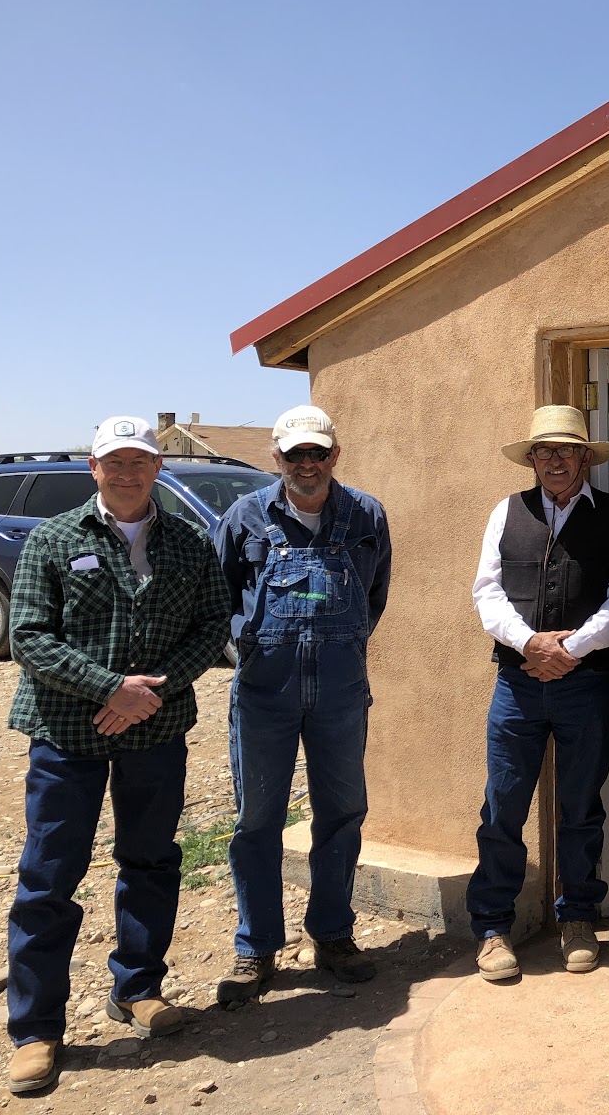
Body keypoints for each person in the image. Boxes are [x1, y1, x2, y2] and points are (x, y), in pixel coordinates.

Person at [4, 416, 230, 1094]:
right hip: (67, 733)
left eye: (141, 462)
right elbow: (28, 635)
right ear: (93, 470)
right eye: (115, 462)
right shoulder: (54, 539)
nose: (128, 474)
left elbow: (212, 625)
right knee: (48, 879)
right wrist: (110, 688)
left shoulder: (190, 542)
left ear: (157, 470)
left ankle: (138, 989)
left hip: (155, 732)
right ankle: (37, 1029)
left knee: (153, 861)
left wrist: (147, 694)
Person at [212, 404, 393, 1006]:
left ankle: (334, 936)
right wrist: (253, 652)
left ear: (335, 454)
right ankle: (256, 948)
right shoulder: (244, 517)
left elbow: (375, 594)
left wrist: (339, 647)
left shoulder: (366, 514)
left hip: (340, 692)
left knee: (342, 814)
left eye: (318, 453)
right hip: (265, 692)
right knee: (256, 820)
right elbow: (219, 596)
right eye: (296, 455)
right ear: (277, 459)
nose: (307, 464)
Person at [469, 405, 609, 980]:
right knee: (503, 805)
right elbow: (487, 593)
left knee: (582, 806)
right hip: (517, 683)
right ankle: (493, 927)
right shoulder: (506, 512)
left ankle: (579, 918)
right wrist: (529, 644)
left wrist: (572, 649)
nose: (555, 460)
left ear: (585, 458)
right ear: (533, 459)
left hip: (584, 684)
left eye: (566, 450)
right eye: (545, 451)